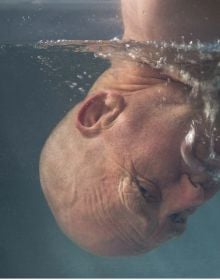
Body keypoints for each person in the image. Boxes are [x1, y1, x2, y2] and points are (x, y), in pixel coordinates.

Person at [39, 0, 220, 256]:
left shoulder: (172, 19)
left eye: (145, 191)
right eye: (178, 217)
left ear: (100, 113)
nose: (195, 196)